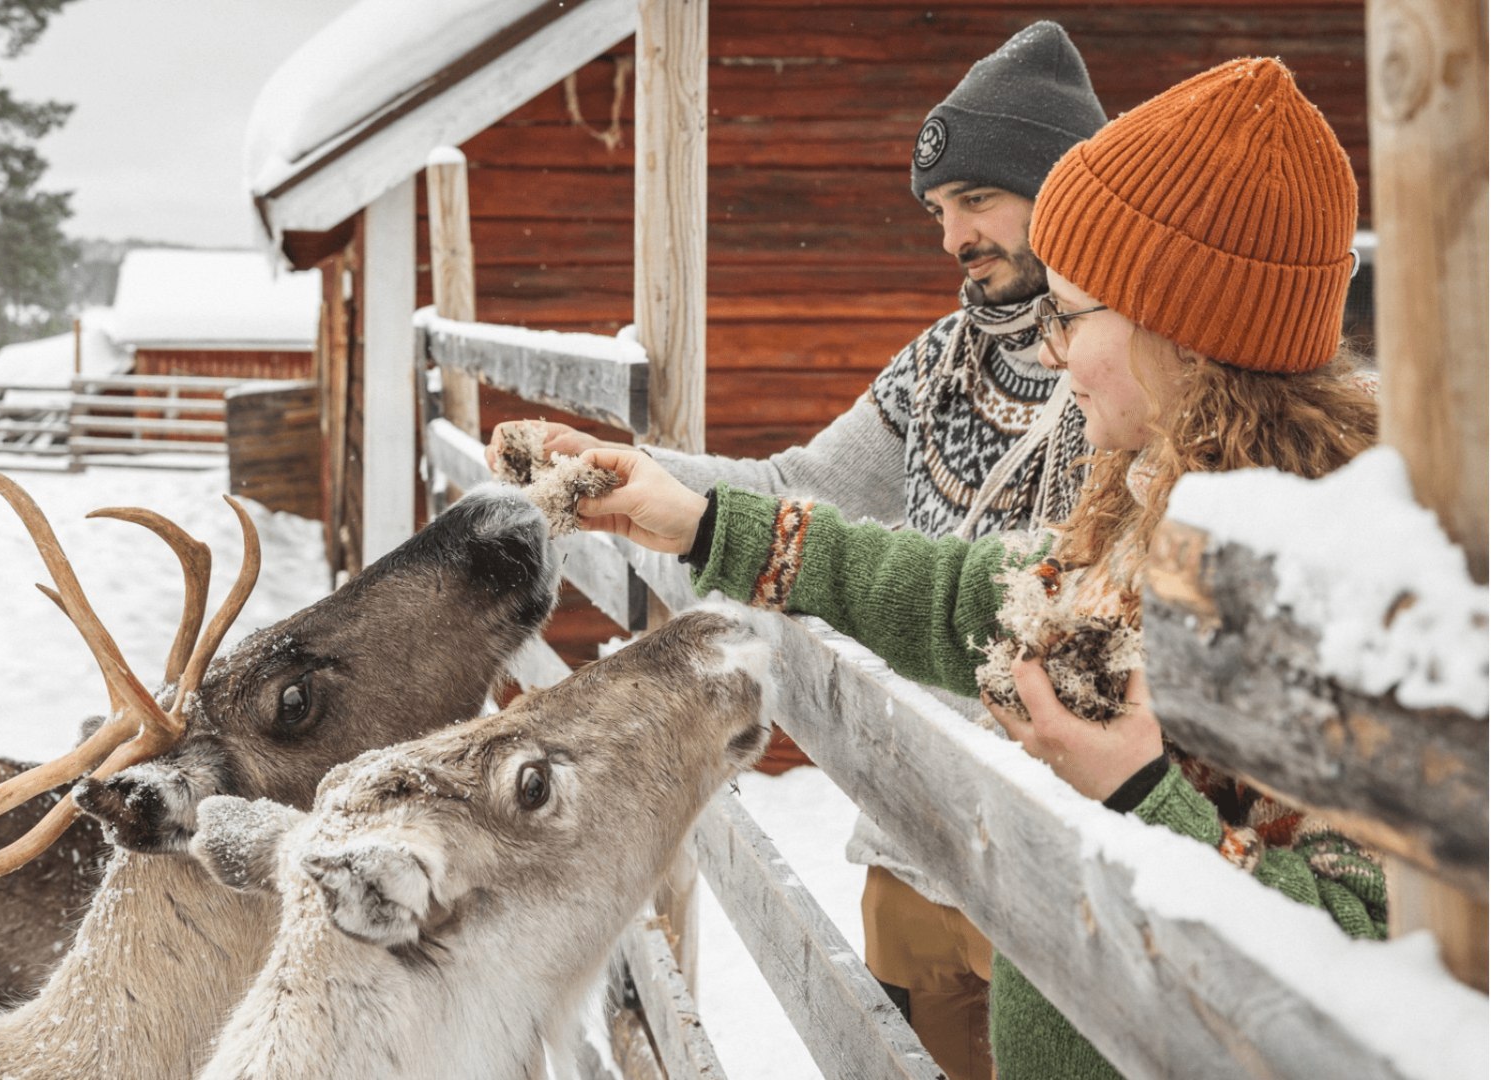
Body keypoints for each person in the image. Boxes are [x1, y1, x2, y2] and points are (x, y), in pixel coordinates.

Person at [573, 58, 1387, 1080]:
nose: (1048, 351)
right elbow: (961, 596)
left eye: (1071, 315)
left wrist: (1141, 794)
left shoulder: (1329, 592)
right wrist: (702, 521)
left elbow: (1358, 961)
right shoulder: (1141, 518)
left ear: (1181, 325)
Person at [491, 24, 1107, 1077]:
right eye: (939, 210)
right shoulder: (940, 361)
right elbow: (799, 486)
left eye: (978, 199)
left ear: (1061, 191)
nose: (954, 237)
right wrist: (627, 470)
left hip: (1046, 858)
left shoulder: (1122, 369)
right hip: (912, 842)